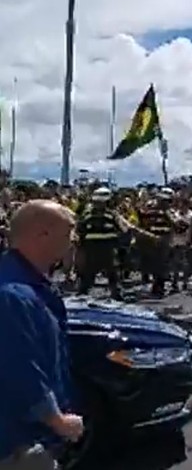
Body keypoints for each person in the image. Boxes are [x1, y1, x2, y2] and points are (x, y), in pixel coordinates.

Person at [0, 200, 85, 469]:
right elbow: (20, 367)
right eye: (69, 231)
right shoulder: (12, 294)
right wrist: (56, 420)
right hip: (17, 442)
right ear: (42, 234)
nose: (74, 239)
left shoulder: (27, 284)